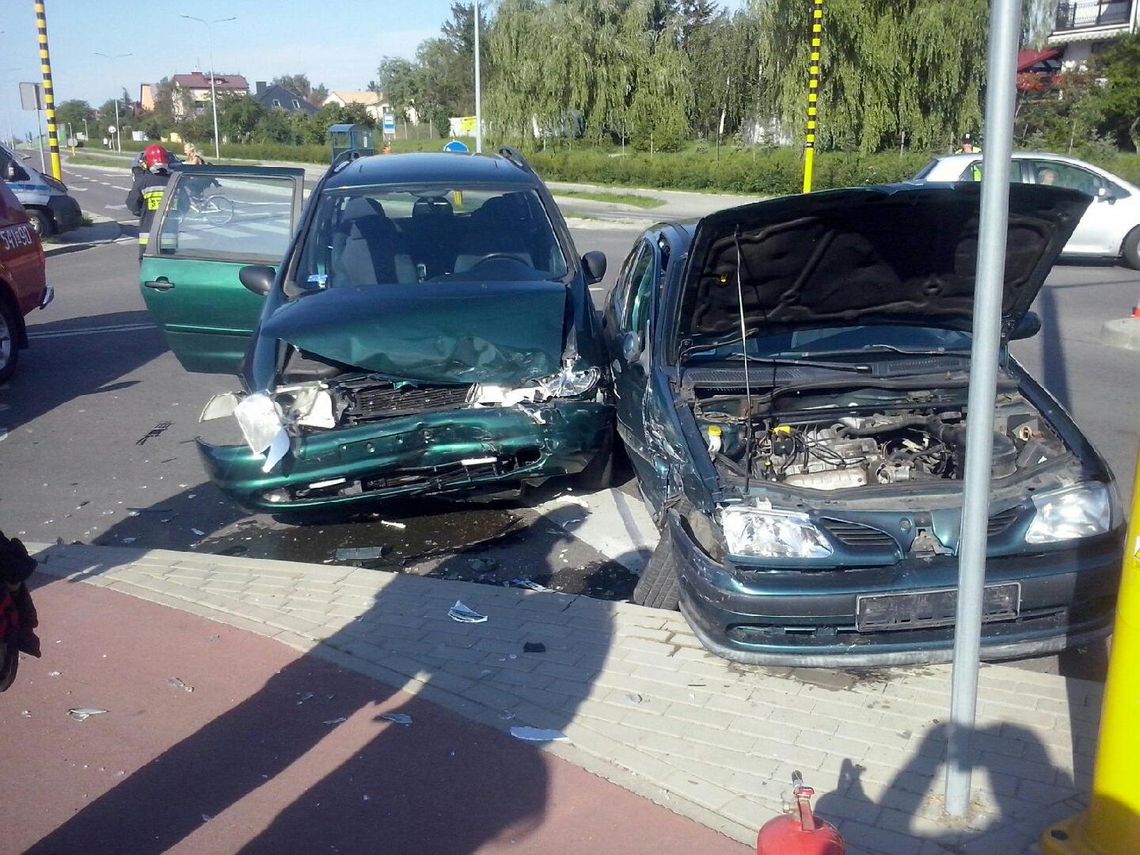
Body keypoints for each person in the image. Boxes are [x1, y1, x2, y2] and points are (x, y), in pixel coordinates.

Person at [126, 144, 172, 260]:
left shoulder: (143, 181)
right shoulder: (174, 181)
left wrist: (145, 212)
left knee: (148, 268)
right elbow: (184, 206)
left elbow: (133, 206)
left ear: (146, 163)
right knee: (169, 267)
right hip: (170, 236)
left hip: (148, 235)